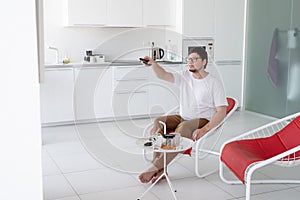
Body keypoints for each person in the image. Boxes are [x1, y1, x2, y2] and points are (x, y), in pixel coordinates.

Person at [138, 47, 228, 184]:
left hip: (202, 120)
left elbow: (222, 111)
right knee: (158, 121)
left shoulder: (213, 83)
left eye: (195, 59)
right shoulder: (185, 76)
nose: (190, 62)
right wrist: (153, 64)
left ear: (204, 61)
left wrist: (204, 129)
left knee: (183, 127)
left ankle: (155, 167)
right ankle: (162, 170)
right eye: (189, 59)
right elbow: (163, 75)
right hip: (183, 116)